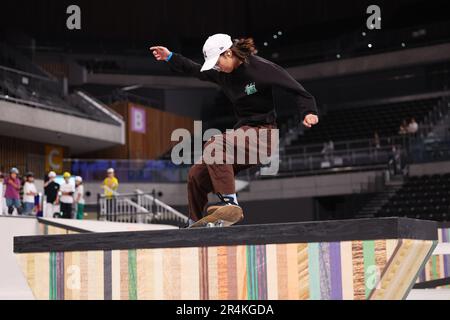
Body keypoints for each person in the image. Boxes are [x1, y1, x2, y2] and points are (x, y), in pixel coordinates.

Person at [150, 34, 319, 226]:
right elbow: (195, 69)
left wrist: (309, 111)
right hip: (243, 136)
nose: (217, 67)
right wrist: (170, 56)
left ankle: (230, 202)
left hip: (263, 135)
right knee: (196, 174)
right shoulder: (221, 73)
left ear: (228, 53)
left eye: (218, 62)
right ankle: (194, 223)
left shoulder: (260, 68)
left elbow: (295, 88)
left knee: (215, 143)